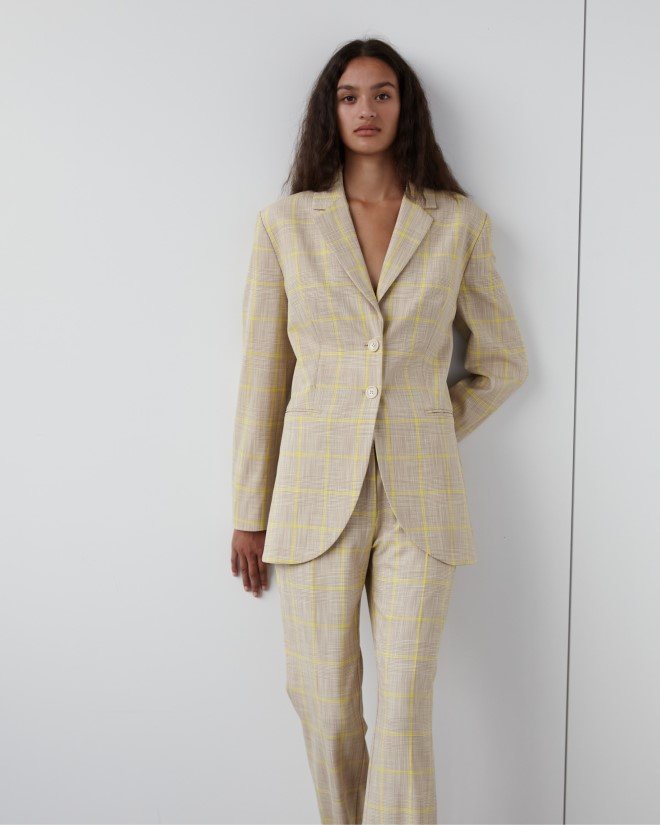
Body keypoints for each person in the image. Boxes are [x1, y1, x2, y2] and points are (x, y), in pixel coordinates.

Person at [230, 37, 528, 825]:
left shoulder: (457, 223)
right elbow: (263, 376)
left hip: (419, 501)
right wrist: (249, 511)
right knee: (325, 706)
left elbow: (503, 361)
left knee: (402, 715)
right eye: (350, 96)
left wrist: (425, 424)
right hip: (310, 497)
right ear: (330, 111)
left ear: (406, 108)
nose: (367, 109)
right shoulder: (285, 226)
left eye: (383, 94)